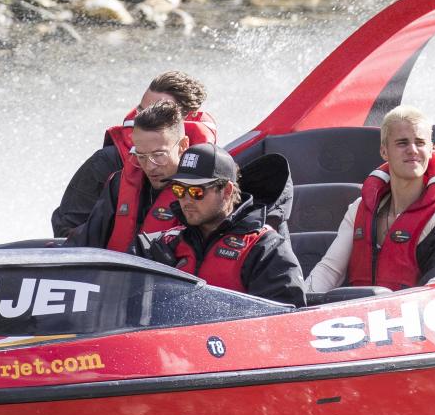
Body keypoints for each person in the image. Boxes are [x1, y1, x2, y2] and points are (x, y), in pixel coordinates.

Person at [304, 105, 435, 293]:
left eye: (420, 143)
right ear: (384, 151)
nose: (412, 150)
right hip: (356, 315)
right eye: (402, 143)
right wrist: (298, 307)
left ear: (431, 150)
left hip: (412, 316)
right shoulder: (359, 209)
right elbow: (330, 270)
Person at [51, 71, 217, 238]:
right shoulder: (108, 163)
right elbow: (65, 229)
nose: (143, 118)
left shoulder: (212, 172)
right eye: (141, 110)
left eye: (158, 111)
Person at [141, 143, 306, 307]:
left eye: (196, 191)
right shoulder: (164, 245)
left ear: (227, 190)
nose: (185, 199)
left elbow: (281, 322)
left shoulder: (267, 250)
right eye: (178, 190)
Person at [65, 101, 192, 250]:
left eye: (158, 155)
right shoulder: (118, 184)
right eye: (141, 156)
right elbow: (86, 240)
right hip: (119, 272)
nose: (150, 166)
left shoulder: (201, 193)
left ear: (183, 146)